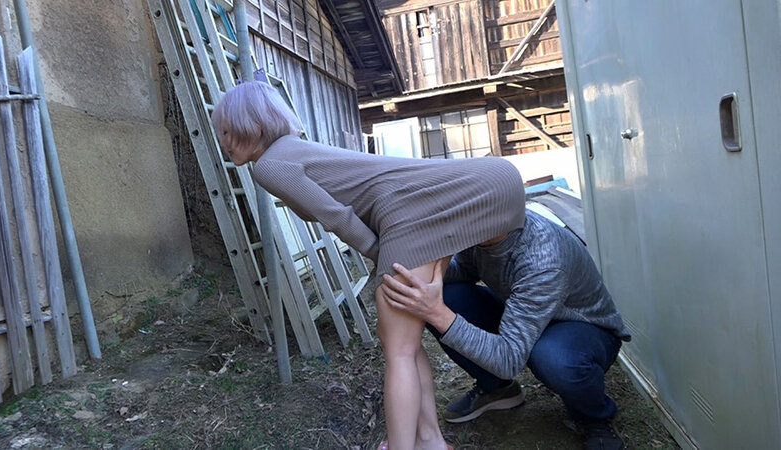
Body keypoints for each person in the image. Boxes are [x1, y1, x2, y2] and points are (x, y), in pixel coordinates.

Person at [211, 80, 526, 450]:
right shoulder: (290, 149)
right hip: (467, 189)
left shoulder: (270, 165)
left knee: (399, 350)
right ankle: (429, 440)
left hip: (411, 210)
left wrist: (381, 258)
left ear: (252, 126)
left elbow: (336, 216)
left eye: (226, 131)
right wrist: (384, 257)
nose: (222, 141)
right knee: (403, 343)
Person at [380, 207, 631, 450]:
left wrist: (437, 313)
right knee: (445, 296)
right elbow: (463, 271)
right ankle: (497, 388)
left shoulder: (543, 256)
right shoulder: (483, 231)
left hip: (582, 327)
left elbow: (509, 360)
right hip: (523, 313)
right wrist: (429, 270)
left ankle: (594, 416)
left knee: (553, 357)